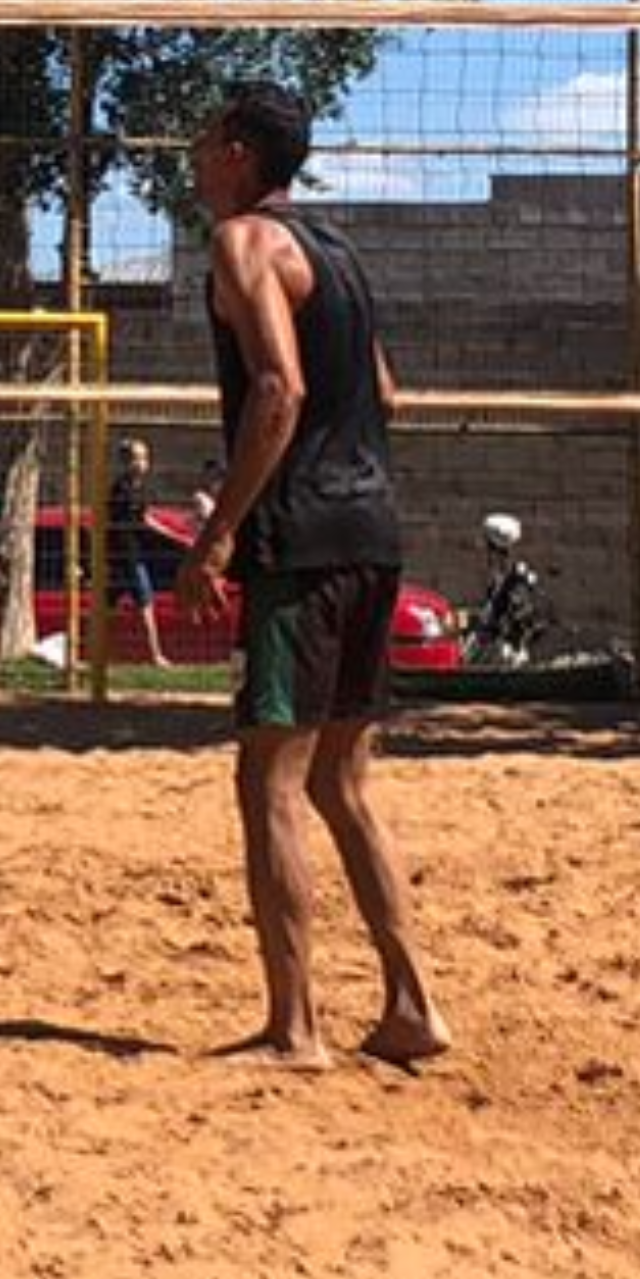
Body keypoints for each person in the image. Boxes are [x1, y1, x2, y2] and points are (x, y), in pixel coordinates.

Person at [174, 83, 447, 1071]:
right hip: (373, 528)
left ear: (241, 152)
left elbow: (280, 391)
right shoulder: (338, 252)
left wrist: (219, 535)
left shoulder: (245, 244)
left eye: (205, 144)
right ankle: (412, 1006)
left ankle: (295, 1031)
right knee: (345, 783)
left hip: (304, 541)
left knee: (271, 784)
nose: (195, 160)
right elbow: (385, 394)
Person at [102, 434, 173, 669]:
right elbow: (141, 521)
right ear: (126, 462)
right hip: (126, 556)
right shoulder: (121, 489)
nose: (143, 463)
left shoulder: (139, 488)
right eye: (138, 458)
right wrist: (173, 536)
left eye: (145, 458)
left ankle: (89, 650)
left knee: (106, 606)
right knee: (145, 603)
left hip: (131, 554)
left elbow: (146, 517)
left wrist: (174, 535)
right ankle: (155, 655)